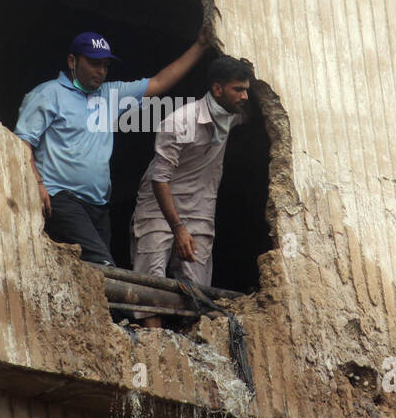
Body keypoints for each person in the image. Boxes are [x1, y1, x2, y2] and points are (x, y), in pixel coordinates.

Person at [15, 25, 212, 265]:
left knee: (89, 275)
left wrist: (201, 44)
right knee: (103, 264)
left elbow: (159, 82)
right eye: (94, 63)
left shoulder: (110, 94)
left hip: (98, 206)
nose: (101, 71)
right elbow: (22, 143)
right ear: (72, 61)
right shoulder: (48, 94)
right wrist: (37, 183)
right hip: (60, 198)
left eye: (106, 65)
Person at [129, 56, 253, 327]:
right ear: (217, 89)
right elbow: (159, 180)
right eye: (238, 89)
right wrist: (178, 227)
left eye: (246, 89)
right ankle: (155, 343)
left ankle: (188, 345)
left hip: (200, 206)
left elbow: (251, 115)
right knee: (152, 276)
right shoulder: (179, 122)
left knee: (197, 286)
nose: (245, 96)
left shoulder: (233, 116)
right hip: (159, 205)